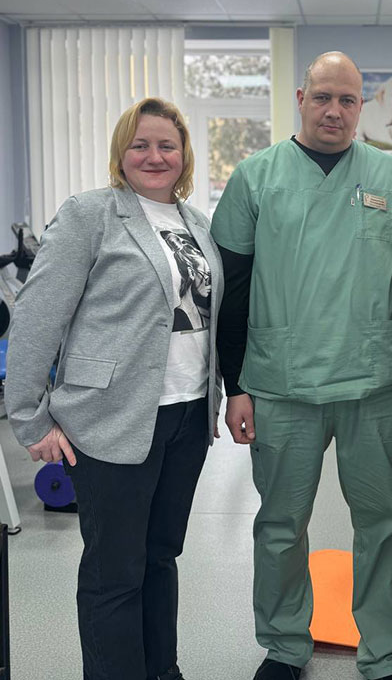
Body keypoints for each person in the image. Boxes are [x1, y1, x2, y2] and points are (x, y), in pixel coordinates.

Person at [212, 51, 392, 680]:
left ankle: (383, 655)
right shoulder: (255, 177)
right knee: (280, 524)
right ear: (301, 98)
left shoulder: (391, 178)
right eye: (323, 97)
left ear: (362, 107)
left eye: (347, 100)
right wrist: (235, 386)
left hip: (375, 383)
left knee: (383, 523)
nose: (334, 110)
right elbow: (232, 290)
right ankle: (283, 646)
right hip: (281, 383)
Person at [5, 97, 223, 680]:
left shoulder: (196, 223)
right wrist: (29, 416)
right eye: (140, 144)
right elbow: (37, 316)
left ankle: (162, 670)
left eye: (167, 145)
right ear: (120, 153)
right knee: (115, 571)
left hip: (187, 414)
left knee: (161, 557)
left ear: (184, 154)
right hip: (110, 417)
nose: (154, 156)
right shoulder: (90, 215)